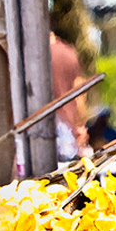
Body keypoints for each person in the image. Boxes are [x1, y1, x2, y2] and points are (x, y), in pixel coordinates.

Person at [50, 31, 90, 160]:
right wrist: (79, 124)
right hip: (67, 124)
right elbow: (79, 91)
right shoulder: (69, 53)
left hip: (41, 122)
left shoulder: (31, 56)